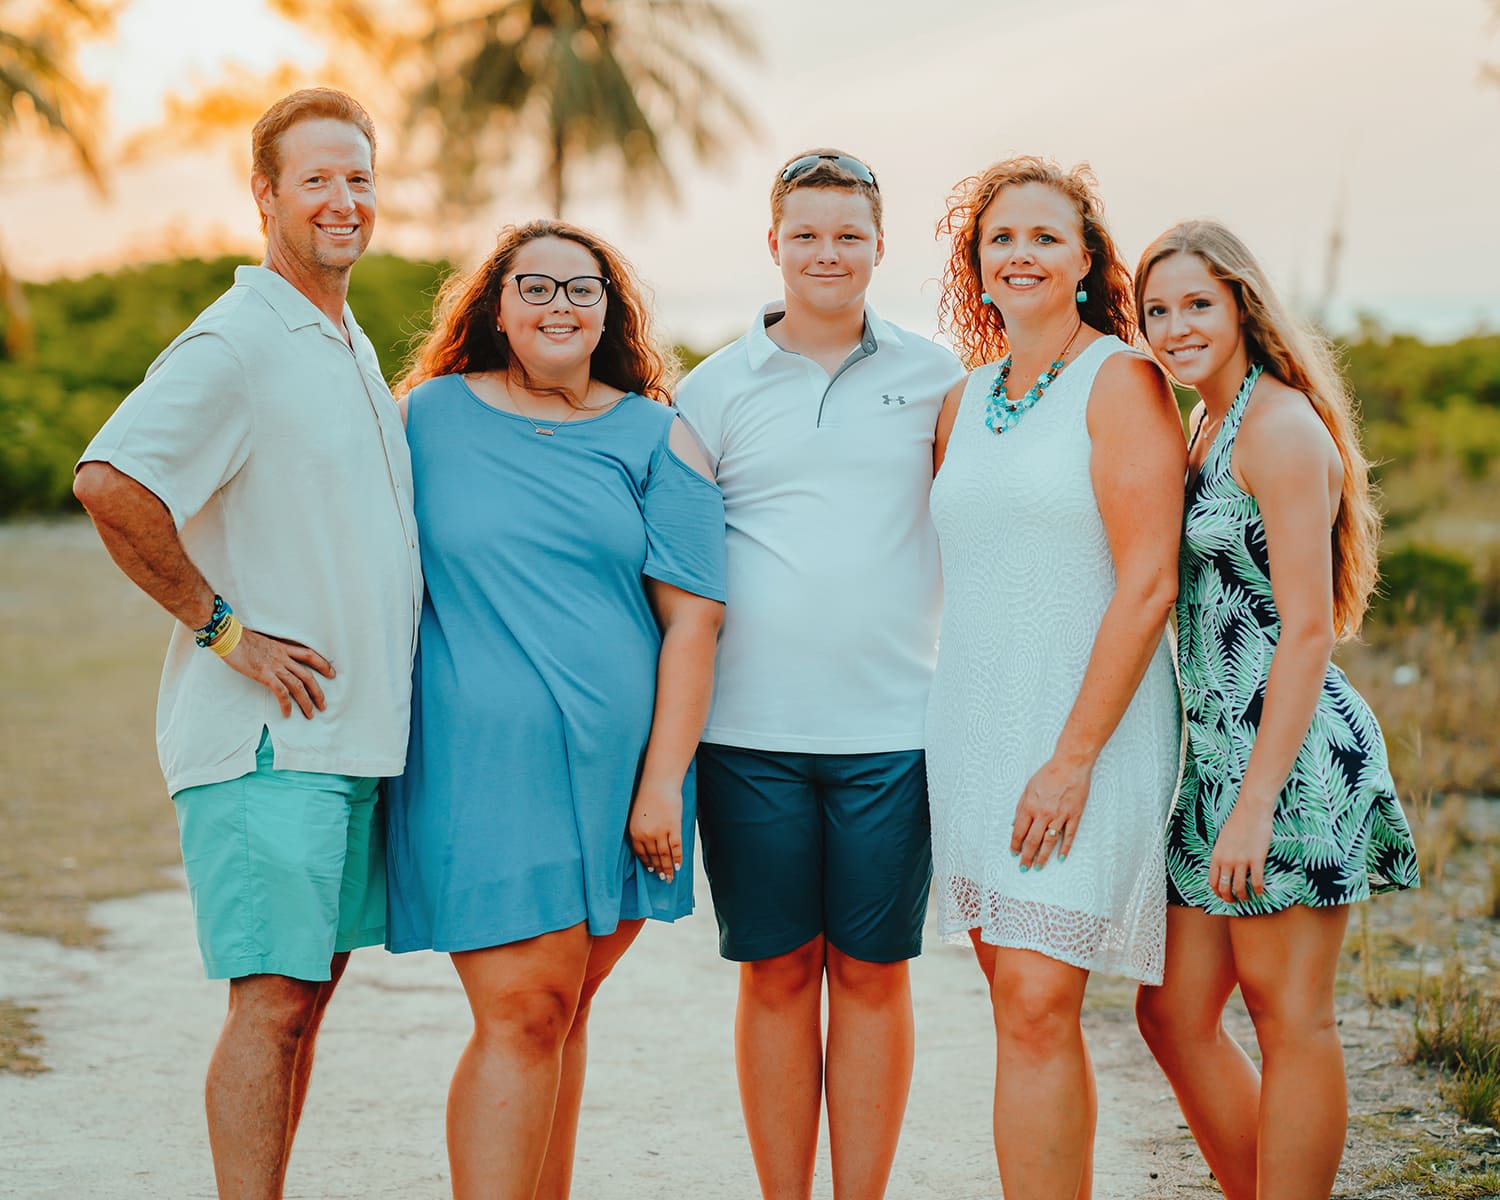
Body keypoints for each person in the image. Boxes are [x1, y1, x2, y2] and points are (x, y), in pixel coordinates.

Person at [71, 88, 421, 1198]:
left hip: (345, 743)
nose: (343, 198)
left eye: (358, 176)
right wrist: (225, 630)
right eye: (316, 177)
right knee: (270, 1004)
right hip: (268, 748)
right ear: (264, 196)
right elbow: (111, 482)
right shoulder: (236, 340)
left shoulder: (342, 338)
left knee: (304, 999)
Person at [384, 219, 725, 1200]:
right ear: (494, 306)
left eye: (581, 289)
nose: (559, 306)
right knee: (524, 1014)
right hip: (477, 768)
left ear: (608, 311)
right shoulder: (429, 416)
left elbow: (694, 623)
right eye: (534, 287)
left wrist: (662, 784)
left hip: (624, 778)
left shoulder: (660, 435)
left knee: (560, 1015)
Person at [673, 149, 963, 1200]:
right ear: (773, 244)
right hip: (746, 735)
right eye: (807, 233)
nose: (827, 252)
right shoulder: (711, 388)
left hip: (894, 730)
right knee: (778, 971)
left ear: (880, 247)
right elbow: (677, 568)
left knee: (874, 972)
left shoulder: (937, 378)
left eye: (849, 234)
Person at [1132, 219, 1420, 1200]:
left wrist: (1255, 804)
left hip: (1287, 766)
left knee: (1290, 1016)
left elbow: (1306, 631)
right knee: (1172, 1013)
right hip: (1216, 768)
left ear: (1243, 306)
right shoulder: (1210, 421)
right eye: (1157, 309)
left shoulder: (1281, 428)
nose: (1175, 326)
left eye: (1197, 304)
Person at [924, 156, 1185, 1199]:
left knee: (1036, 997)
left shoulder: (1119, 380)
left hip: (1086, 735)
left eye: (1045, 237)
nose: (1021, 254)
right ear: (975, 266)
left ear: (1086, 260)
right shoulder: (962, 400)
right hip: (976, 729)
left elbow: (1149, 582)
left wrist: (1072, 760)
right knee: (1014, 1001)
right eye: (1001, 239)